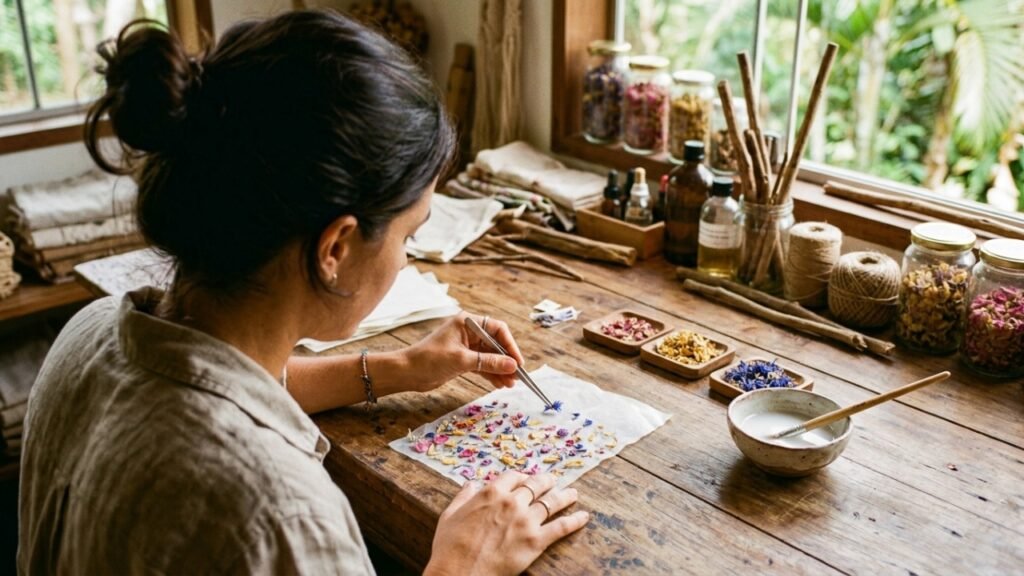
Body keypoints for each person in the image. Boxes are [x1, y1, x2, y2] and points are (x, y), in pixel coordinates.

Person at [17, 10, 588, 575]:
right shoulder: (279, 516)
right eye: (408, 235)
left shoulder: (89, 332)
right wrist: (463, 566)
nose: (406, 257)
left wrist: (402, 367)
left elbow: (231, 382)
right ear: (335, 248)